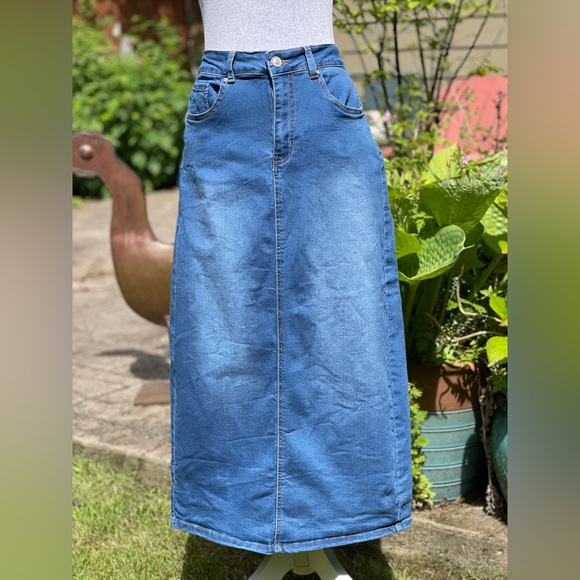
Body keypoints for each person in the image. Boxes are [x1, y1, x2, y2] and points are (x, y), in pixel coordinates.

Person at [169, 0, 413, 556]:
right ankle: (234, 510)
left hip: (320, 89)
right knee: (220, 322)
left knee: (347, 315)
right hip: (225, 99)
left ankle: (345, 509)